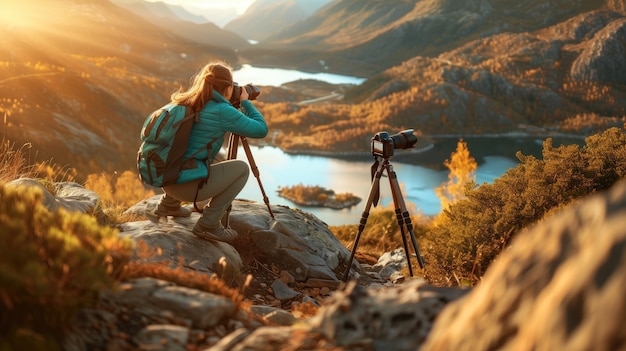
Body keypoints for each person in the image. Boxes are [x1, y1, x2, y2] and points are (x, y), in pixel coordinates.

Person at [153, 61, 268, 242]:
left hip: (166, 181)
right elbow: (260, 129)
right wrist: (245, 103)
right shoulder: (222, 110)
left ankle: (168, 205)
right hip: (185, 189)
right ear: (228, 87)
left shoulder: (185, 101)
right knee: (242, 169)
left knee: (190, 151)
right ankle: (208, 225)